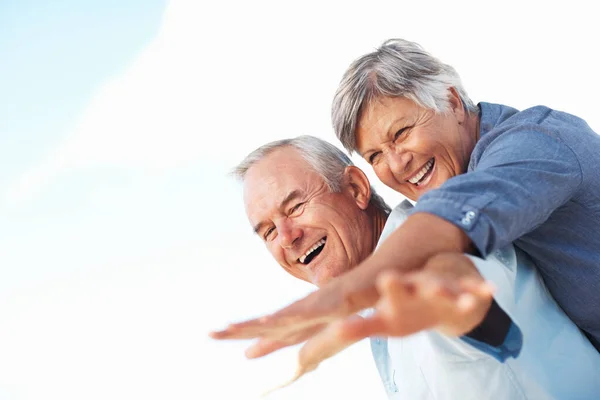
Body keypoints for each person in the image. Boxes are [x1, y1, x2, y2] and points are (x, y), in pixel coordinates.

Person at [211, 38, 600, 356]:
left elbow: (462, 210)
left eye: (401, 133)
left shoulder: (536, 142)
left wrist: (346, 292)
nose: (397, 165)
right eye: (376, 156)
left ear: (451, 101)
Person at [211, 136, 600, 398]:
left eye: (295, 207)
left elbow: (461, 284)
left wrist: (458, 305)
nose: (287, 236)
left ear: (356, 189)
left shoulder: (442, 247)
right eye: (267, 232)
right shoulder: (380, 316)